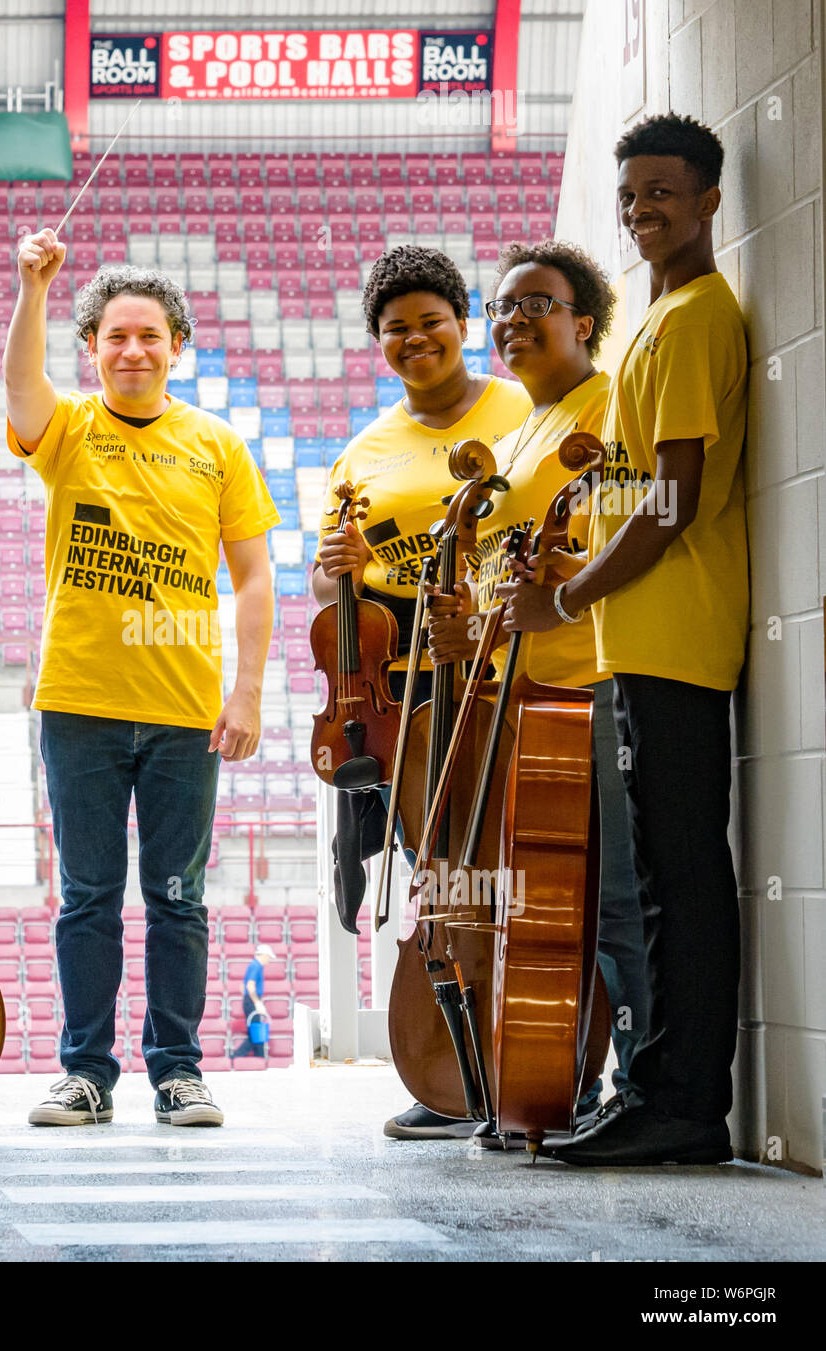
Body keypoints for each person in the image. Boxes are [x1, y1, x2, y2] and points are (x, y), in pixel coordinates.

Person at [504, 114, 747, 1166]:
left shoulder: (695, 317)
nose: (642, 209)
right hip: (640, 636)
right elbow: (633, 497)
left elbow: (672, 503)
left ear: (707, 202)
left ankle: (684, 1104)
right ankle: (657, 1088)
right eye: (629, 194)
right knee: (658, 873)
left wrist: (559, 607)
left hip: (677, 638)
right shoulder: (658, 319)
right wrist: (571, 579)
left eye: (662, 192)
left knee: (679, 879)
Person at [6, 236, 278, 1127]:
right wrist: (33, 288)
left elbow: (253, 575)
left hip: (183, 708)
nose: (132, 350)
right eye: (115, 336)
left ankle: (178, 1071)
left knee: (176, 896)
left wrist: (246, 693)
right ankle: (85, 1071)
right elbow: (18, 391)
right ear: (93, 348)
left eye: (149, 335)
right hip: (79, 701)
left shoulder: (217, 445)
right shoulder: (71, 428)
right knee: (87, 895)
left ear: (176, 345)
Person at [426, 240, 648, 1148]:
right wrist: (464, 625)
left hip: (586, 684)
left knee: (620, 902)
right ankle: (562, 1083)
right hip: (519, 697)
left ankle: (639, 1086)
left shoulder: (608, 405)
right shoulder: (520, 431)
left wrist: (551, 577)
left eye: (535, 305)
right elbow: (504, 576)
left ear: (582, 321)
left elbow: (619, 535)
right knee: (559, 909)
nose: (512, 321)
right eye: (502, 309)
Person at [311, 245, 530, 1140]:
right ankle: (449, 1073)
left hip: (510, 672)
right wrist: (340, 571)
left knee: (518, 876)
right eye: (395, 327)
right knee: (443, 880)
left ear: (463, 322)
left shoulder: (522, 409)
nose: (415, 338)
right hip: (412, 702)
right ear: (378, 342)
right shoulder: (364, 451)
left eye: (431, 320)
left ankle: (541, 1063)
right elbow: (334, 595)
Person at [229, 945, 276, 1059]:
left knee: (255, 1032)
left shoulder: (254, 965)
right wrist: (257, 1002)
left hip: (249, 1000)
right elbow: (250, 986)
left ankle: (259, 1058)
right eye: (268, 957)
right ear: (264, 955)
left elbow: (243, 986)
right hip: (252, 1001)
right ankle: (236, 1057)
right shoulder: (256, 966)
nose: (269, 960)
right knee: (256, 1033)